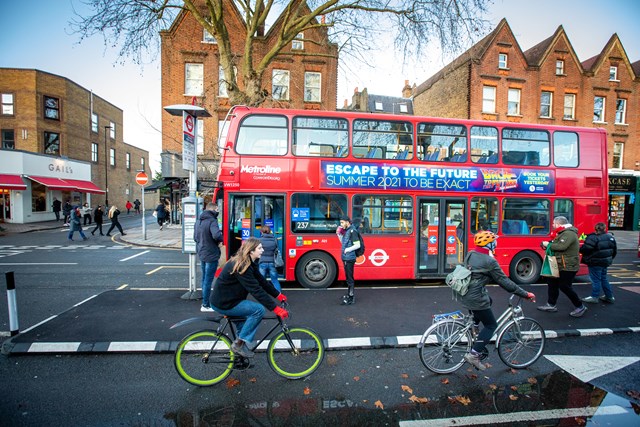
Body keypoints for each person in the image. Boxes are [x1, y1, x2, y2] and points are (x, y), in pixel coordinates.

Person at [458, 231, 535, 371]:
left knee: (489, 300)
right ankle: (474, 355)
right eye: (495, 241)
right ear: (490, 244)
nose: (496, 243)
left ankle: (474, 325)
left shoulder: (471, 254)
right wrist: (525, 294)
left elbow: (476, 272)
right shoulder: (490, 261)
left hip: (464, 293)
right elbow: (504, 281)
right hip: (476, 297)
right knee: (491, 326)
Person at [210, 237, 288, 358]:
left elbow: (262, 281)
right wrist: (275, 308)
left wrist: (278, 295)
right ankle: (238, 344)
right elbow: (256, 290)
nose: (262, 250)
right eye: (260, 248)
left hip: (230, 299)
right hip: (225, 303)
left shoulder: (249, 262)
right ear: (251, 251)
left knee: (243, 325)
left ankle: (239, 357)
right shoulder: (242, 266)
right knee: (258, 310)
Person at [537, 216, 586, 317]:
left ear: (559, 224)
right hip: (560, 264)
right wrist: (548, 244)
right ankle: (551, 304)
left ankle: (580, 306)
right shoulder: (562, 233)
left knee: (564, 286)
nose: (552, 225)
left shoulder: (569, 233)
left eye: (554, 223)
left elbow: (561, 246)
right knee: (552, 283)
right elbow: (557, 244)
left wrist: (548, 244)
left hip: (568, 266)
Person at [194, 202, 223, 312]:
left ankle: (205, 302)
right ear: (214, 209)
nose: (218, 210)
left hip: (202, 253)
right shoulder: (212, 221)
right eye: (217, 209)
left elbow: (195, 238)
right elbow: (216, 235)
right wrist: (222, 239)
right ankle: (205, 305)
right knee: (208, 280)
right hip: (211, 253)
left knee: (204, 279)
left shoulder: (198, 221)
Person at [579, 222, 617, 304]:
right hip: (605, 262)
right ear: (604, 228)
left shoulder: (592, 237)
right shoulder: (610, 237)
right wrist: (609, 259)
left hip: (594, 262)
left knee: (596, 280)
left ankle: (594, 296)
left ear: (595, 228)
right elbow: (614, 251)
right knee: (604, 278)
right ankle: (609, 296)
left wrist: (582, 251)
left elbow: (585, 249)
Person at [336, 216, 361, 305]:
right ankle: (349, 294)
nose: (341, 225)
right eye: (340, 223)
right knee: (348, 278)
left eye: (342, 223)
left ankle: (351, 297)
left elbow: (357, 245)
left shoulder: (352, 231)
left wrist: (347, 250)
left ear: (347, 222)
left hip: (349, 258)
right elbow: (344, 243)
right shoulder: (347, 230)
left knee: (350, 278)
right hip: (346, 257)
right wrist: (339, 234)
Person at [258, 225, 282, 292]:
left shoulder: (259, 240)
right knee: (274, 280)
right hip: (272, 262)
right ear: (270, 231)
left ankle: (262, 294)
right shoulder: (275, 240)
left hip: (262, 262)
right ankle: (279, 295)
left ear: (262, 232)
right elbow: (276, 249)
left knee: (262, 280)